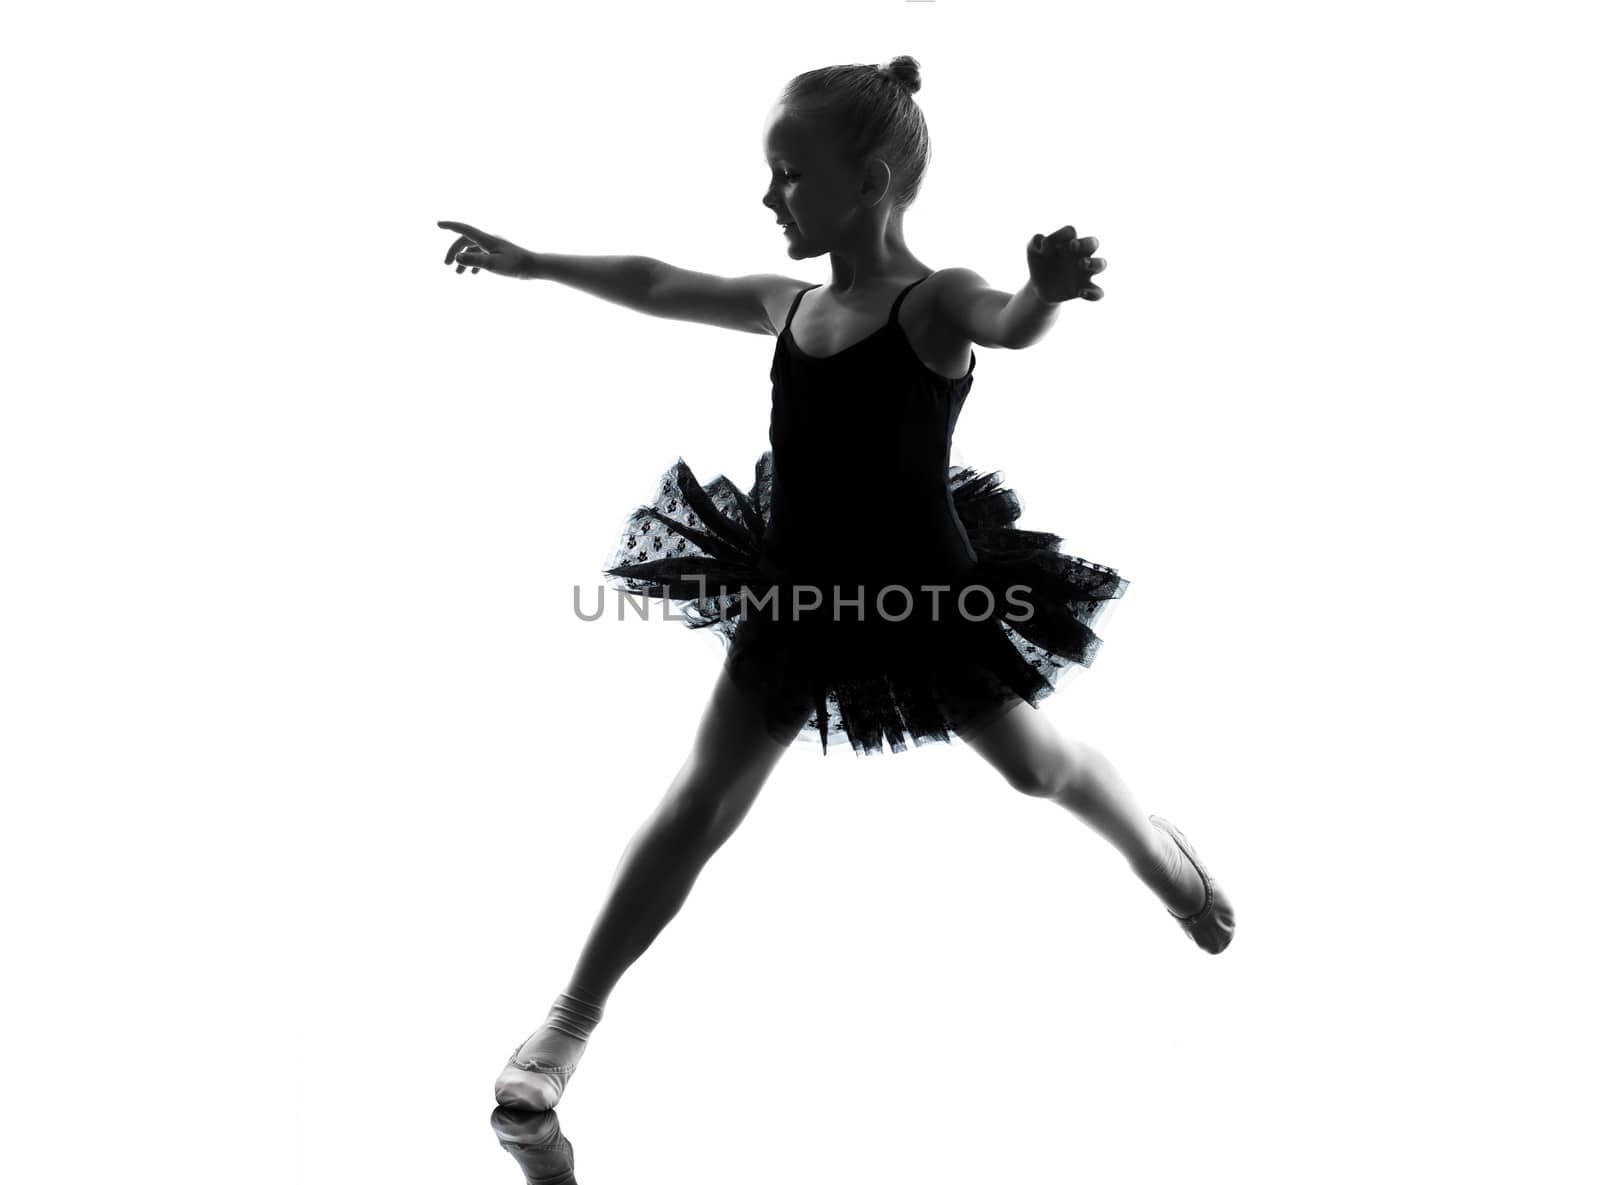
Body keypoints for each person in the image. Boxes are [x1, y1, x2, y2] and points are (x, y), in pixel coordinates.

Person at [439, 55, 1235, 1117]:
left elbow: (1006, 322)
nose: (768, 197)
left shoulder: (934, 299)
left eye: (787, 175)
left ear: (867, 181)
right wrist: (532, 260)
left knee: (1035, 769)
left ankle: (1155, 846)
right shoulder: (789, 304)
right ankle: (570, 1018)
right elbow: (659, 280)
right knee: (697, 802)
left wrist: (1042, 290)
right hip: (795, 597)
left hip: (927, 599)